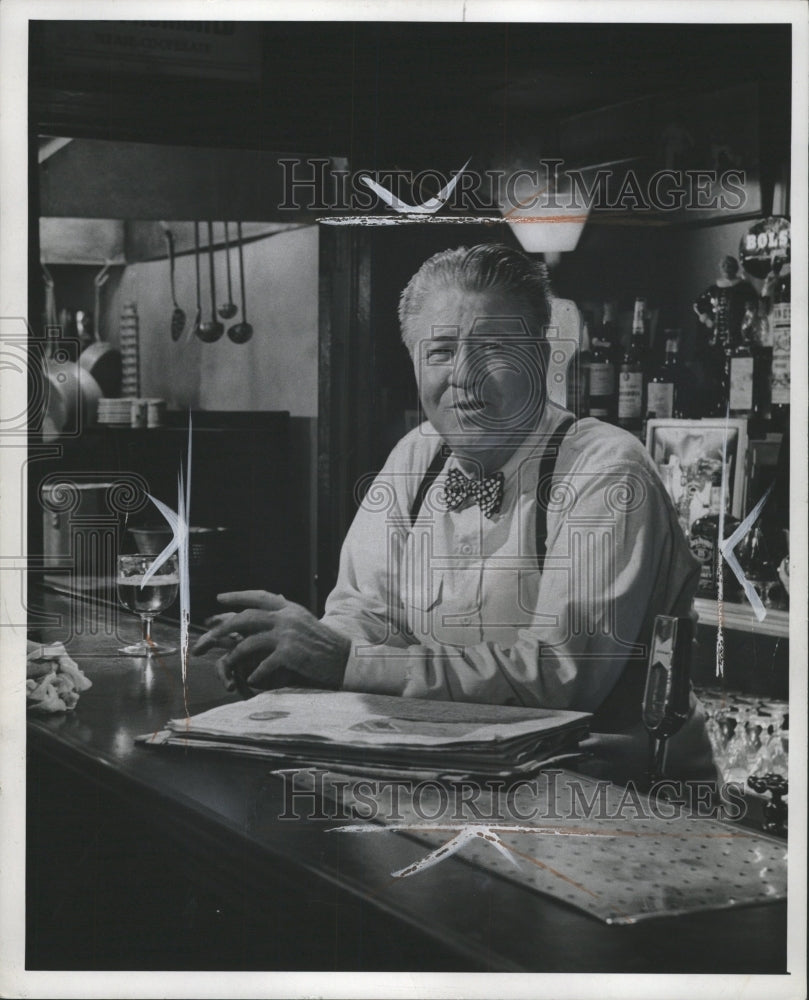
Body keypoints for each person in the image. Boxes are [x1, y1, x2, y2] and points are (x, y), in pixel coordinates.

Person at [194, 244, 716, 784]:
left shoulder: (607, 470)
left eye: (492, 348)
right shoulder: (417, 455)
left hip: (612, 800)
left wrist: (343, 661)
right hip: (459, 774)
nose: (463, 376)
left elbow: (553, 680)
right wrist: (298, 652)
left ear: (541, 356)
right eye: (440, 350)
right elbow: (366, 612)